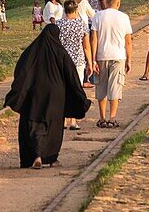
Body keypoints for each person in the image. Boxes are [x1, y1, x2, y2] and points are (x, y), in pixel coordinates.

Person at [5, 23, 90, 169]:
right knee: (53, 126)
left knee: (33, 123)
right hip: (55, 95)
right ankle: (50, 158)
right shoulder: (61, 52)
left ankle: (34, 156)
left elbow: (21, 71)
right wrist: (80, 95)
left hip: (34, 93)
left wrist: (19, 91)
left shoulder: (31, 52)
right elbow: (71, 75)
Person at [90, 0, 133, 128]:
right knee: (115, 86)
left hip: (101, 55)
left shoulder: (98, 16)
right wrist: (129, 59)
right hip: (118, 56)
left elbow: (94, 39)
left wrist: (93, 60)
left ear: (107, 2)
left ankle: (102, 117)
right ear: (118, 3)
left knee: (101, 87)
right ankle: (112, 117)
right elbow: (128, 42)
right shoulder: (124, 17)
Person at [56, 0, 92, 129]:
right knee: (76, 89)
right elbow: (86, 46)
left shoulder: (59, 24)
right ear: (76, 10)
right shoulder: (81, 24)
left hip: (63, 61)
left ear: (65, 11)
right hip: (78, 61)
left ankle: (64, 120)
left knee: (64, 89)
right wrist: (90, 63)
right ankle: (73, 120)